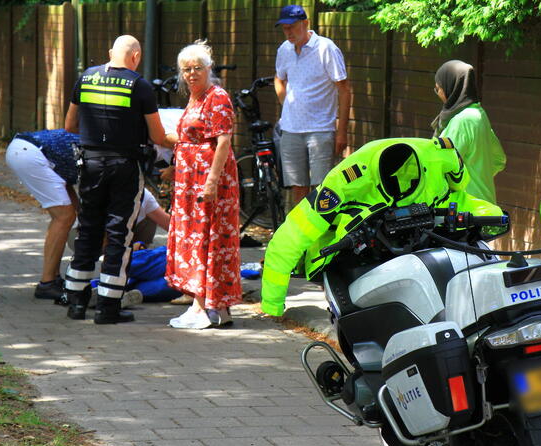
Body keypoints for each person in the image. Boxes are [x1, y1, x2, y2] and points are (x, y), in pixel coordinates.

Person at [260, 137, 504, 316]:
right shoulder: (344, 182)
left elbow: (460, 185)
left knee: (495, 217)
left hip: (431, 225)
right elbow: (288, 239)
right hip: (357, 249)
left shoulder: (439, 152)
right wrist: (273, 305)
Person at [64, 35, 167, 325]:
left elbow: (69, 125)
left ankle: (76, 301)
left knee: (88, 229)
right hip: (124, 166)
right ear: (136, 56)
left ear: (110, 53)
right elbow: (158, 136)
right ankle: (108, 307)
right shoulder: (140, 85)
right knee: (119, 233)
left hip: (91, 164)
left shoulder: (85, 78)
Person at [164, 40, 241, 330]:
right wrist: (176, 168)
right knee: (201, 239)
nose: (191, 73)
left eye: (197, 68)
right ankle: (218, 309)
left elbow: (223, 142)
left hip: (209, 183)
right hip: (189, 181)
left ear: (208, 69)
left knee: (207, 240)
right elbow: (191, 139)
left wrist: (210, 183)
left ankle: (200, 306)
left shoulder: (217, 97)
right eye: (186, 69)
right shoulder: (195, 99)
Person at [274, 4, 351, 205]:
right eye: (284, 28)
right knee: (298, 188)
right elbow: (278, 78)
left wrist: (342, 131)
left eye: (292, 26)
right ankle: (299, 235)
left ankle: (322, 235)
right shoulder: (284, 49)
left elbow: (344, 89)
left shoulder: (326, 48)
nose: (288, 32)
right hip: (290, 130)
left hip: (321, 129)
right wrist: (286, 103)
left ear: (306, 23)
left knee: (322, 189)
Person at [5, 129, 80, 300]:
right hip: (31, 154)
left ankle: (53, 278)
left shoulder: (102, 146)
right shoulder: (109, 159)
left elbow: (69, 184)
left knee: (65, 216)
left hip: (26, 149)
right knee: (64, 217)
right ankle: (47, 284)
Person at [432, 60, 506, 204]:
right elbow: (499, 159)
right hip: (486, 207)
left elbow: (441, 167)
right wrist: (478, 176)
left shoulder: (461, 121)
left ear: (452, 87)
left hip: (466, 212)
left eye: (438, 88)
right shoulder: (478, 114)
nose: (438, 94)